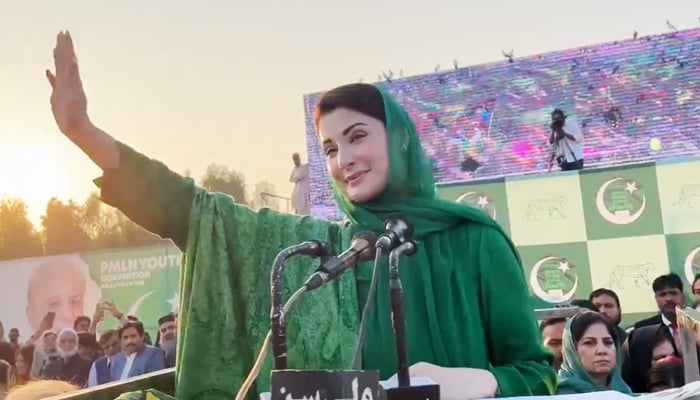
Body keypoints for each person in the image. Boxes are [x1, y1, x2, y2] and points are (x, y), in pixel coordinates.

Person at [46, 31, 555, 399]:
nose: (343, 160)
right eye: (330, 148)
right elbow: (193, 211)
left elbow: (535, 371)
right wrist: (82, 131)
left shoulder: (475, 241)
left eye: (357, 137)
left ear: (399, 138)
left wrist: (482, 381)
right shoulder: (322, 251)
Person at [556, 312, 631, 394]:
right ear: (572, 350)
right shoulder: (560, 394)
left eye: (608, 342)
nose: (602, 350)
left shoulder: (623, 391)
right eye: (589, 343)